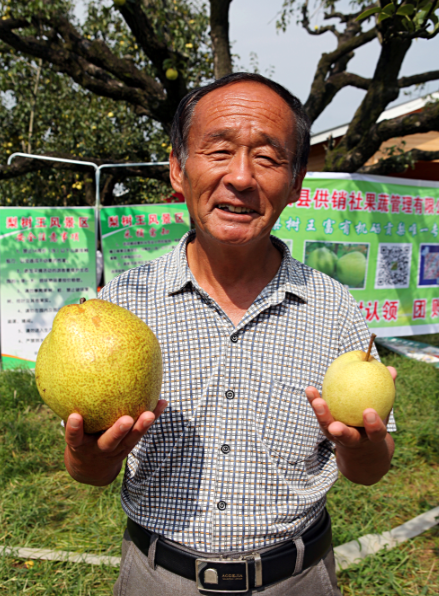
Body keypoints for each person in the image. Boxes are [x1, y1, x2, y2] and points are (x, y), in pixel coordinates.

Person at [64, 73, 396, 596]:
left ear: (296, 182)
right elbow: (88, 471)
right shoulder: (118, 309)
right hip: (156, 577)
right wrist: (91, 458)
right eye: (218, 150)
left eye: (267, 157)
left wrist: (360, 449)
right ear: (177, 168)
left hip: (298, 579)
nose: (241, 177)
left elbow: (371, 468)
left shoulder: (337, 311)